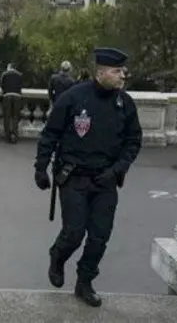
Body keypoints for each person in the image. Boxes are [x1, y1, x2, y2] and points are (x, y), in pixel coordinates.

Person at [34, 47, 142, 308]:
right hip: (74, 177)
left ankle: (85, 282)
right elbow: (50, 134)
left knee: (99, 236)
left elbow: (133, 141)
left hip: (105, 180)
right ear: (101, 72)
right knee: (74, 232)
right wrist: (41, 167)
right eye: (117, 72)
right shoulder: (73, 98)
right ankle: (58, 256)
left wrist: (117, 170)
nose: (122, 76)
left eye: (122, 71)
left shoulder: (124, 103)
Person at [0, 63, 23, 143]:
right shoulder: (20, 75)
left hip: (7, 95)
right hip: (17, 96)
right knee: (15, 116)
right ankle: (14, 135)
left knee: (7, 116)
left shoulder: (5, 74)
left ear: (9, 67)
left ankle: (8, 135)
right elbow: (20, 86)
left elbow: (1, 85)